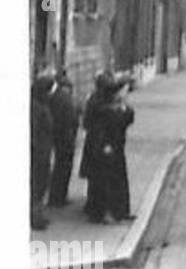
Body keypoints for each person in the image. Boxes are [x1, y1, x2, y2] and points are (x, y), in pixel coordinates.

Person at [82, 71, 135, 224]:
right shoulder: (99, 104)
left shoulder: (108, 104)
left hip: (115, 147)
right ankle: (103, 212)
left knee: (117, 180)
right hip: (104, 147)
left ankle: (120, 210)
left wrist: (123, 107)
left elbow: (127, 118)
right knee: (104, 182)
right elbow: (105, 124)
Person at [47, 69, 80, 206]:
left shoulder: (56, 97)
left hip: (61, 136)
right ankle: (58, 197)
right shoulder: (64, 99)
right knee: (63, 167)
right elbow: (69, 119)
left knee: (61, 167)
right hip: (65, 137)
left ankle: (58, 196)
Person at [30, 69, 56, 230]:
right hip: (38, 153)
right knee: (36, 185)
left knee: (41, 184)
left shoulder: (41, 105)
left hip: (44, 151)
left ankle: (38, 215)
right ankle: (35, 217)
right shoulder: (36, 108)